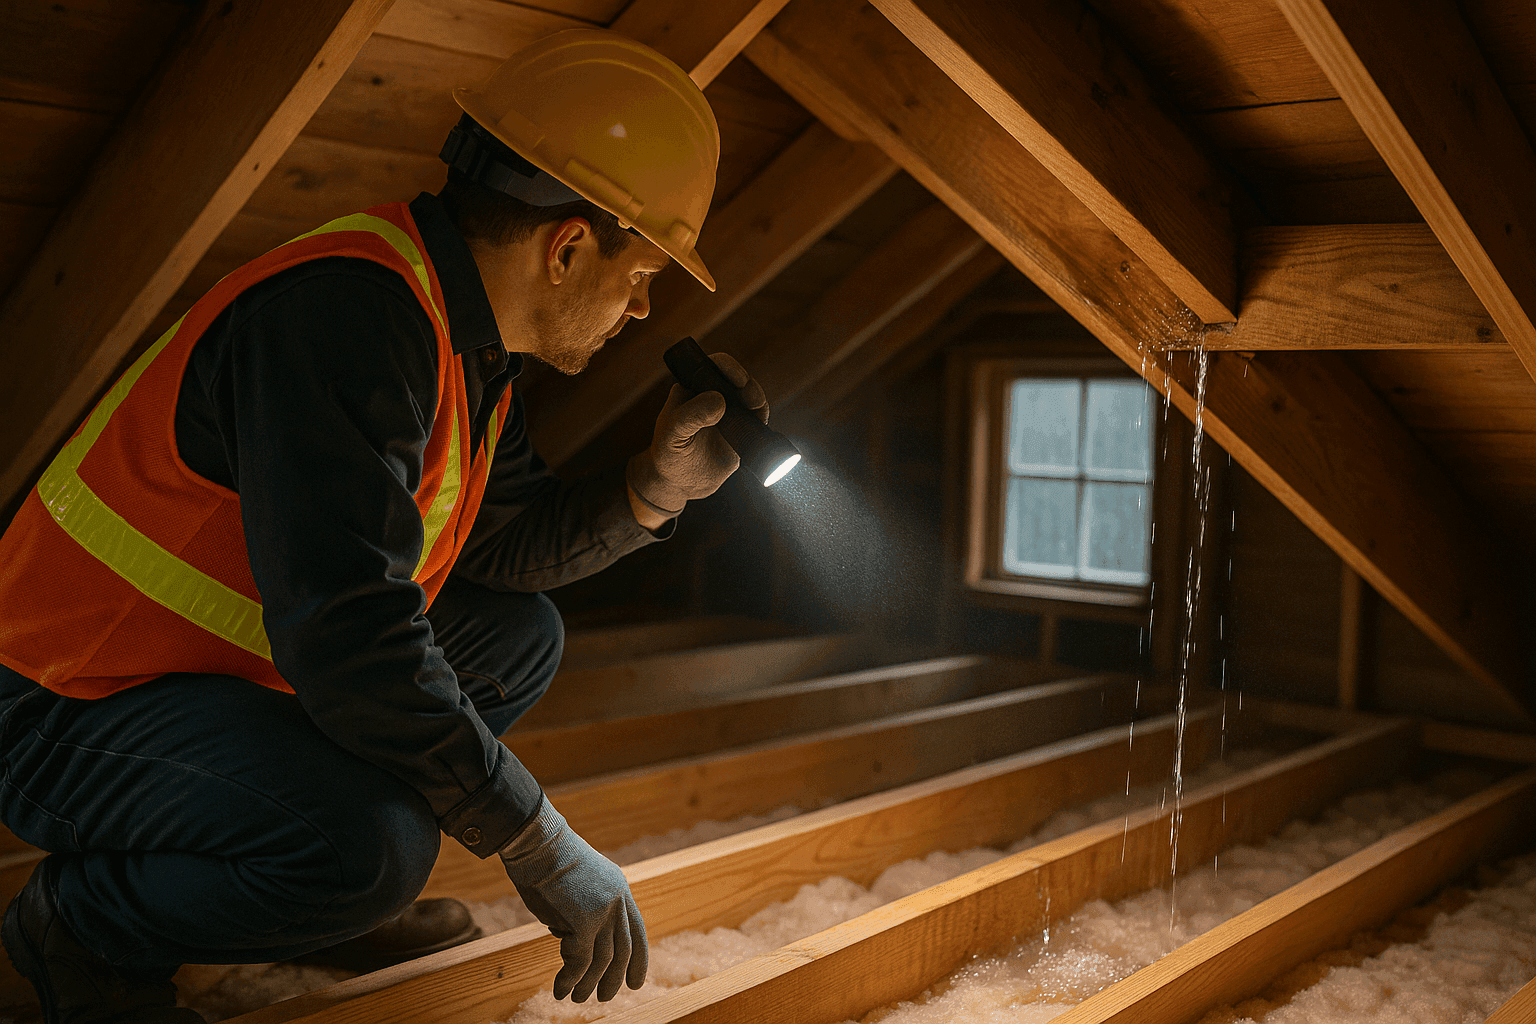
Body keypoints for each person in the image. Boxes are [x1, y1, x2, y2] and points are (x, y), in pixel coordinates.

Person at [0, 29, 765, 1023]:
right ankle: (84, 927)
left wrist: (658, 485)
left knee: (517, 637)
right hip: (62, 703)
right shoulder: (348, 323)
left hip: (215, 672)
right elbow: (352, 637)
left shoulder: (459, 334)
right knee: (369, 849)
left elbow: (501, 545)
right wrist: (536, 838)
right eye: (643, 269)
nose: (640, 303)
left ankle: (299, 903)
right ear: (568, 244)